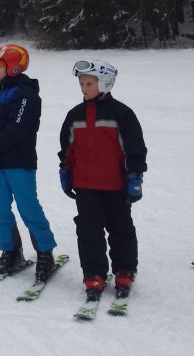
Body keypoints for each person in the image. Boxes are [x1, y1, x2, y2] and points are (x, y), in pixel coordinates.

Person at [58, 59, 146, 296]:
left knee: (121, 229)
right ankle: (94, 273)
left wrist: (135, 175)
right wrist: (66, 170)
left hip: (116, 185)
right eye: (82, 83)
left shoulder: (122, 114)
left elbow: (135, 148)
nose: (84, 88)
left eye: (89, 83)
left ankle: (124, 270)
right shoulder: (74, 114)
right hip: (86, 185)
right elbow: (67, 148)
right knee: (88, 230)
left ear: (105, 83)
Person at [0, 44, 57, 282]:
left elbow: (18, 128)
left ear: (14, 67)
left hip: (18, 162)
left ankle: (45, 253)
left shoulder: (26, 95)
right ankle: (11, 251)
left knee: (28, 208)